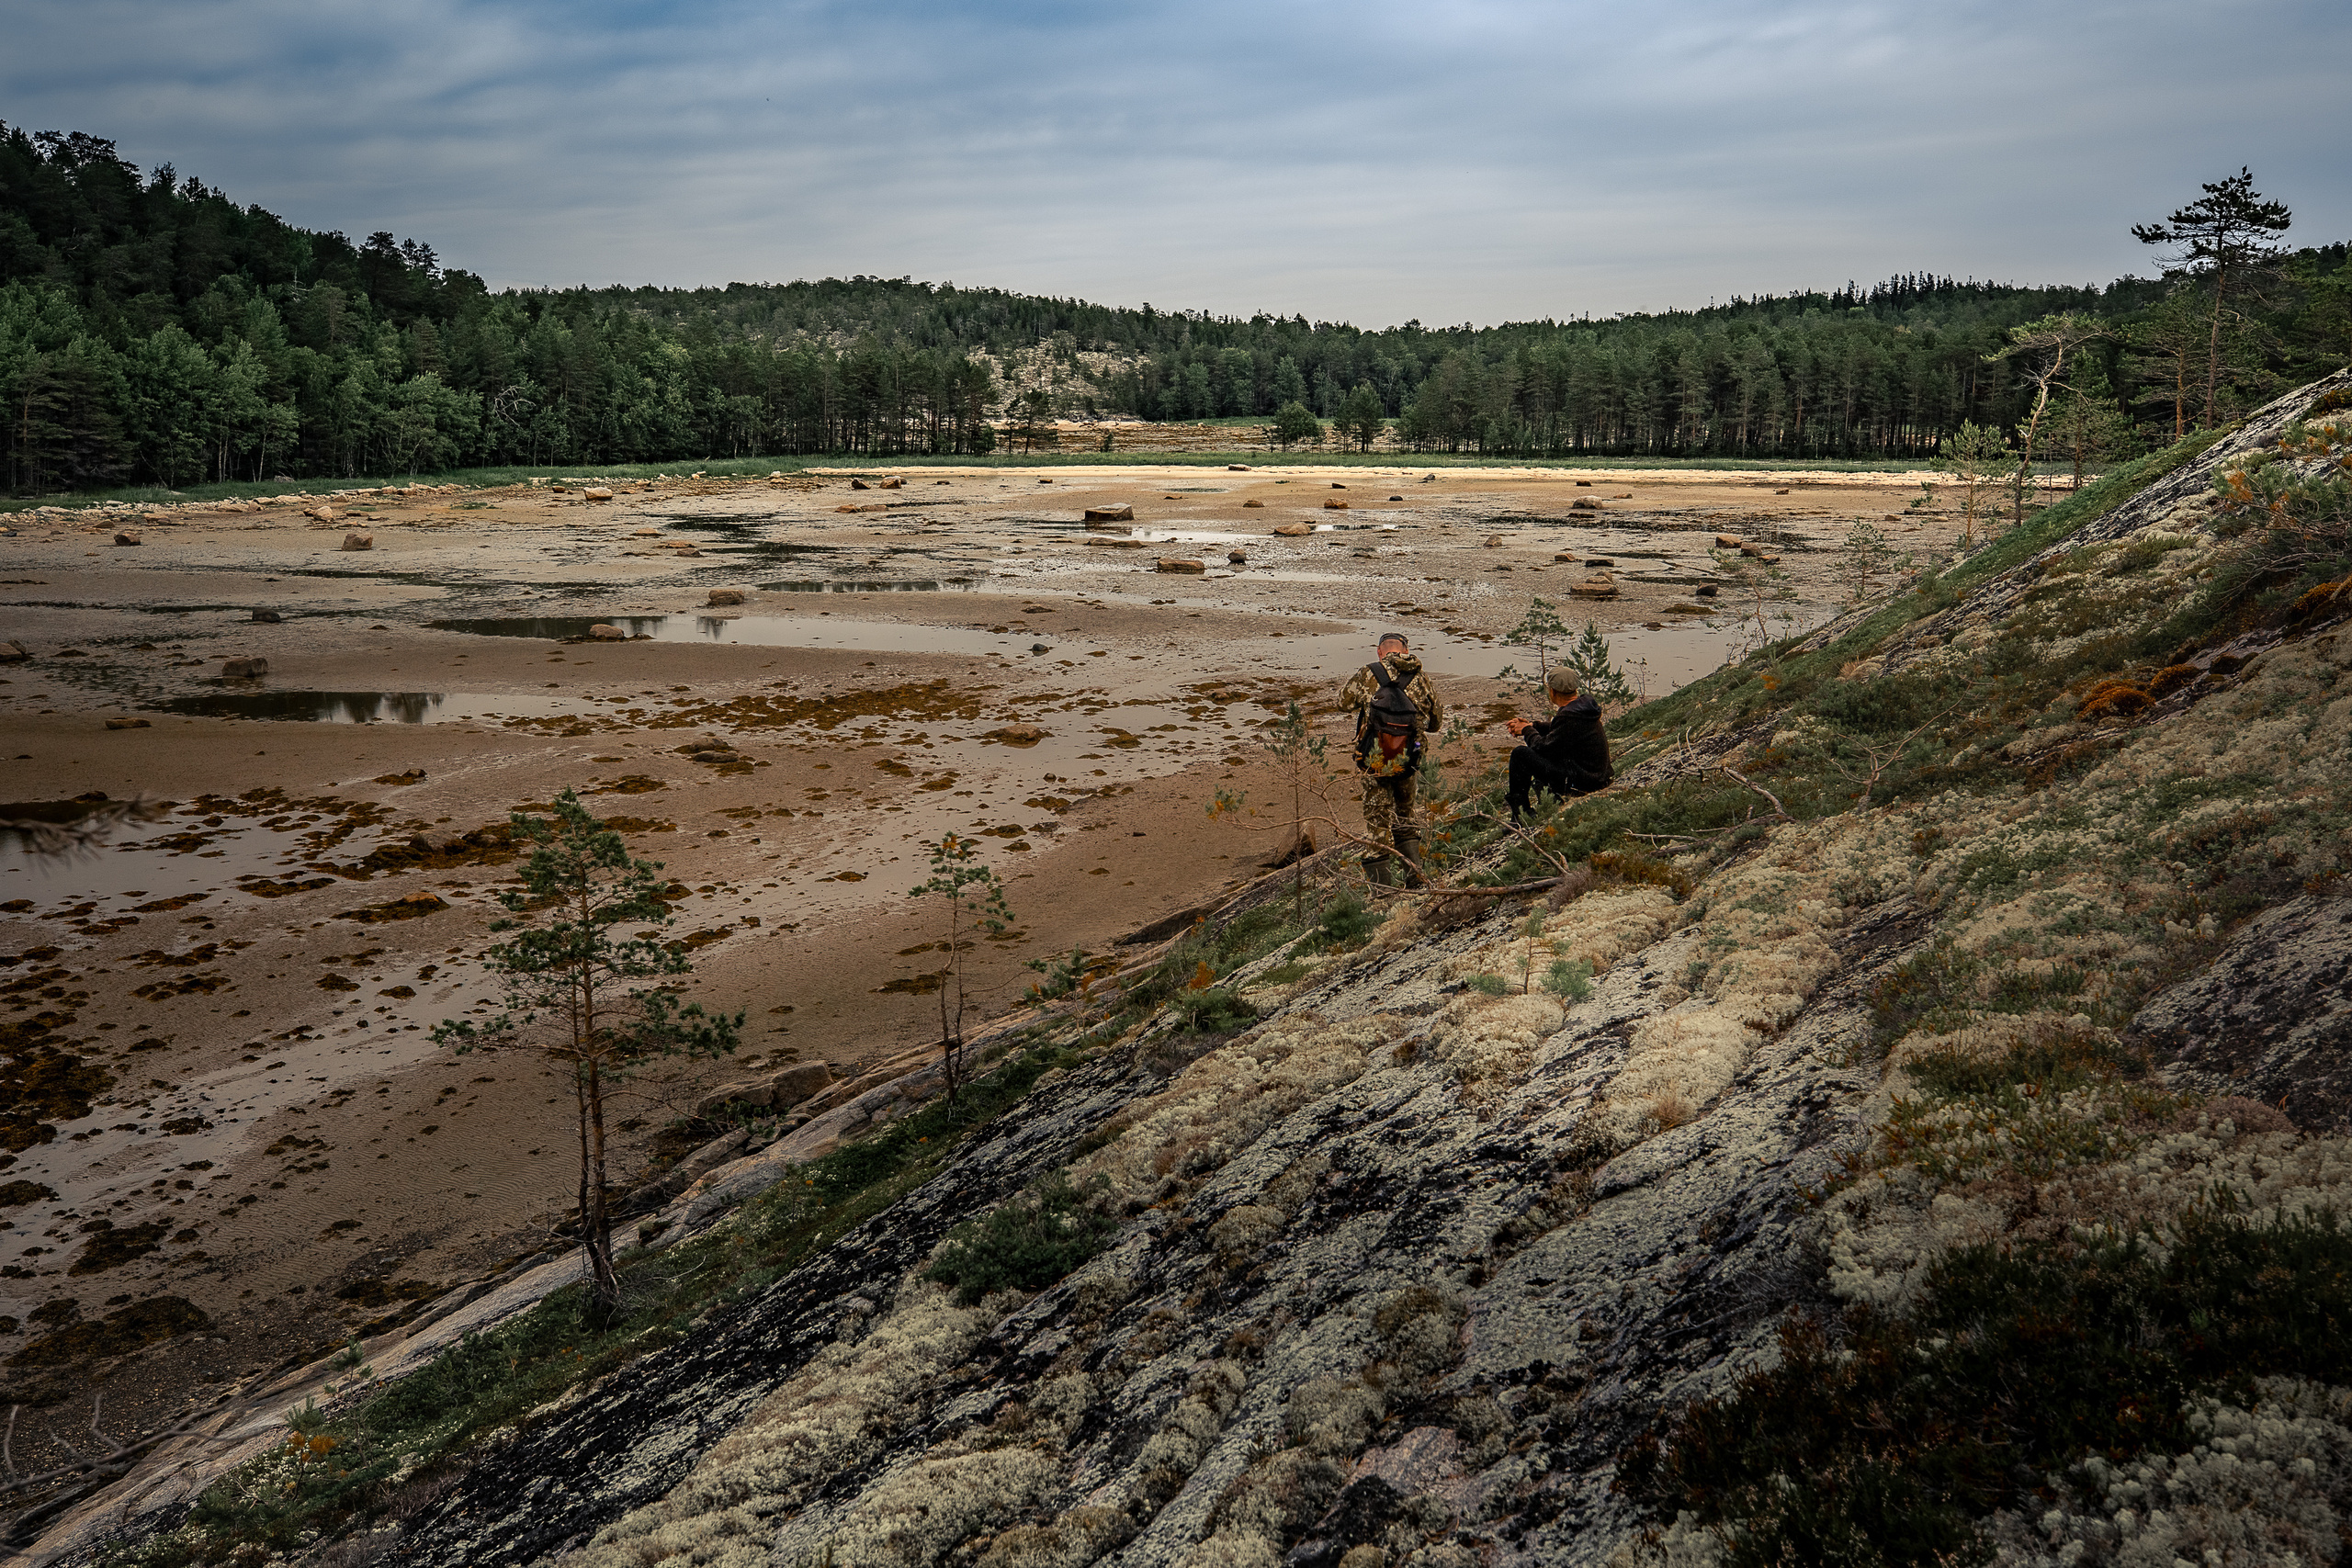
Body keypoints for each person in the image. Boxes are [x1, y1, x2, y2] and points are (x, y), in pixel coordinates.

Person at [1339, 632, 1444, 886]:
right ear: (1406, 650)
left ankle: (1382, 891)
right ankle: (1415, 878)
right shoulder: (1421, 677)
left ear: (1379, 651)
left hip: (1373, 761)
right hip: (1409, 759)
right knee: (1405, 816)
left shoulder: (1368, 673)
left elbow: (1342, 703)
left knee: (1377, 823)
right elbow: (1436, 723)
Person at [1503, 666, 1611, 823]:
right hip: (1594, 776)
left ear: (1552, 692)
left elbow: (1542, 747)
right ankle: (1530, 807)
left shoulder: (1570, 716)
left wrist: (1527, 730)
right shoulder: (1583, 709)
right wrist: (1533, 726)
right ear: (1575, 689)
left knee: (1520, 754)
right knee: (1534, 756)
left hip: (1582, 782)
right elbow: (1559, 732)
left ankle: (1520, 815)